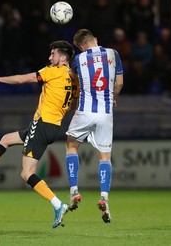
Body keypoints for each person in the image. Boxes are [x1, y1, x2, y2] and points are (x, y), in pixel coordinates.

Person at [0, 40, 78, 228]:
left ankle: (57, 204)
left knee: (27, 173)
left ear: (62, 57)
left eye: (53, 54)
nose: (49, 57)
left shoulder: (52, 71)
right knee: (6, 139)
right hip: (53, 127)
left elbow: (21, 79)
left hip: (42, 124)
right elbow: (73, 105)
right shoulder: (74, 77)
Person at [65, 29, 123, 223]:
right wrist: (113, 97)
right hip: (105, 113)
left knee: (72, 146)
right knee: (104, 156)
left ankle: (74, 191)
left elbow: (72, 81)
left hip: (85, 110)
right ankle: (104, 197)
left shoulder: (78, 59)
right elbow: (120, 83)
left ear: (81, 47)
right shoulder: (113, 54)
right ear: (95, 40)